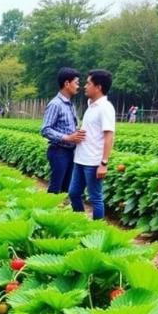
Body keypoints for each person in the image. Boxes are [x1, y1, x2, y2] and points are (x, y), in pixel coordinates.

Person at [68, 69, 115, 221]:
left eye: (88, 83)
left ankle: (97, 231)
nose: (85, 86)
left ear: (98, 87)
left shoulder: (105, 108)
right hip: (80, 159)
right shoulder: (91, 105)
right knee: (73, 193)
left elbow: (109, 136)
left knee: (96, 199)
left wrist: (104, 163)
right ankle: (81, 223)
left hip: (94, 162)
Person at [40, 67, 85, 194]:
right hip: (59, 151)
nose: (78, 86)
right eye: (76, 83)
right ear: (67, 83)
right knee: (55, 189)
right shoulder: (56, 104)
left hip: (70, 151)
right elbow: (45, 129)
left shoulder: (70, 104)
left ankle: (62, 212)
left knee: (67, 189)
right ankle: (48, 212)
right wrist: (67, 138)